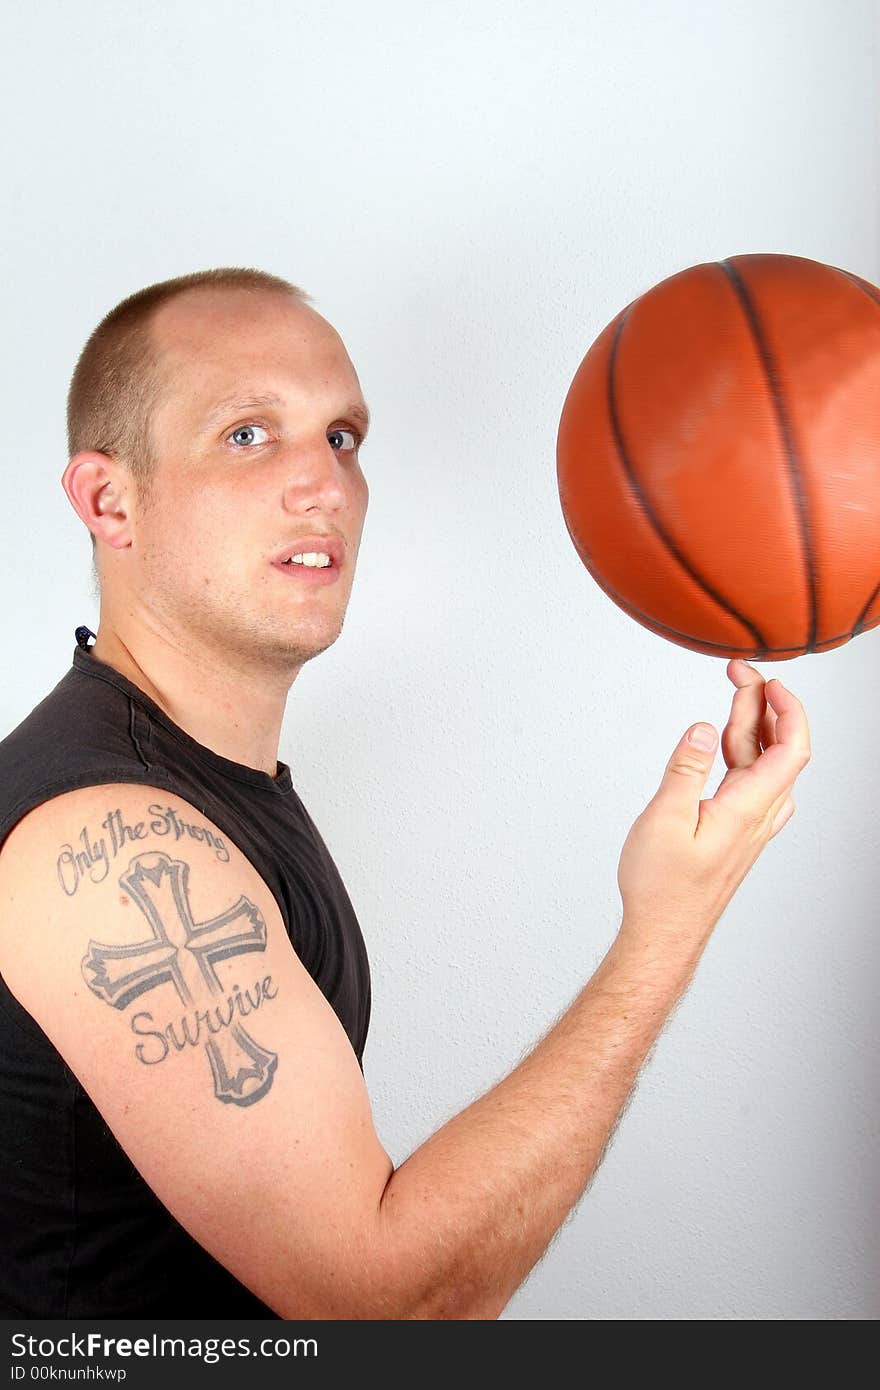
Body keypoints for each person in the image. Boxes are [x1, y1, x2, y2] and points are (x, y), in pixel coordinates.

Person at [0, 267, 811, 1320]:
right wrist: (668, 925)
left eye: (342, 436)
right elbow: (383, 1308)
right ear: (110, 499)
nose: (326, 484)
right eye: (248, 434)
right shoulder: (105, 846)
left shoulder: (196, 782)